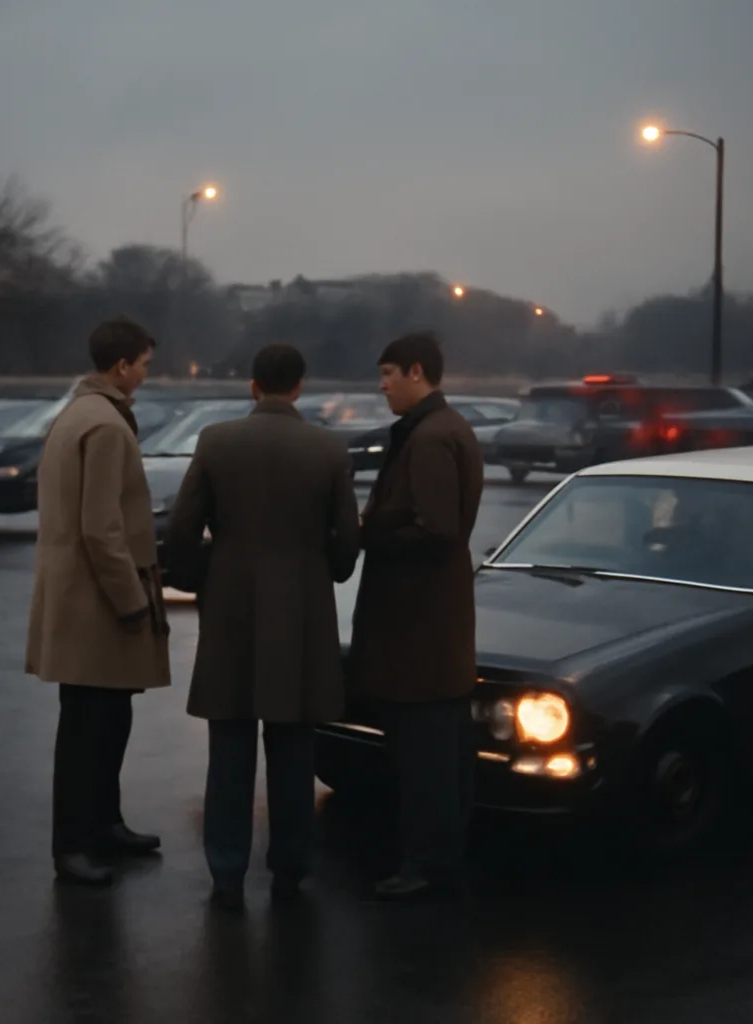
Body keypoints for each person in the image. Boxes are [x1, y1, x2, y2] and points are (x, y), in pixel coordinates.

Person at [165, 343, 360, 909]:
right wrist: (328, 569)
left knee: (228, 745)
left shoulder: (216, 441)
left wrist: (202, 575)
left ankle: (226, 869)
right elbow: (347, 541)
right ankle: (290, 865)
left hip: (231, 606)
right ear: (299, 386)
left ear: (253, 385)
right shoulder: (327, 449)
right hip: (300, 610)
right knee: (294, 745)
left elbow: (181, 529)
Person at [25, 316, 171, 887]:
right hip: (99, 603)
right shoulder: (106, 426)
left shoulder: (75, 414)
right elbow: (101, 529)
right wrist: (133, 602)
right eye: (144, 364)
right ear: (123, 366)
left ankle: (103, 825)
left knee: (104, 717)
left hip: (75, 594)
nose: (146, 373)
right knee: (89, 726)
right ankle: (76, 844)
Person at [348, 332, 484, 901]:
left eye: (387, 375)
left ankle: (425, 863)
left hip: (417, 626)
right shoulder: (444, 429)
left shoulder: (429, 439)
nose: (381, 387)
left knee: (425, 755)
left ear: (416, 372)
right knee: (443, 752)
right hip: (436, 624)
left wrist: (365, 535)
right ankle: (441, 856)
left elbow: (436, 529)